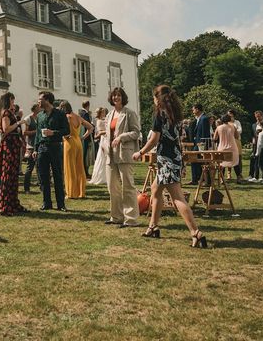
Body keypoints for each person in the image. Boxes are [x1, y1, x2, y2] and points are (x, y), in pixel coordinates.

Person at [133, 85, 207, 248]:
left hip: (166, 159)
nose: (153, 100)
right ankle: (153, 227)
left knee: (177, 197)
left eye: (154, 97)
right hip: (174, 156)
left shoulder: (159, 114)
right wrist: (181, 162)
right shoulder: (176, 114)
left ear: (158, 98)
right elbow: (177, 139)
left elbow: (154, 139)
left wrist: (140, 152)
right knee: (155, 190)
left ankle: (196, 233)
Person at [104, 87, 141, 228]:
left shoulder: (129, 113)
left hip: (125, 153)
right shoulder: (109, 115)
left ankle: (131, 219)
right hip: (110, 154)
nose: (116, 98)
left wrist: (121, 137)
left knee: (128, 186)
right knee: (112, 186)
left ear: (122, 97)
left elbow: (136, 132)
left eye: (118, 95)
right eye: (114, 95)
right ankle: (116, 216)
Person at [0, 92, 28, 215]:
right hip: (9, 146)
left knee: (11, 174)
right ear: (8, 100)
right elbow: (6, 129)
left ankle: (10, 202)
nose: (13, 102)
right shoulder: (6, 113)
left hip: (12, 144)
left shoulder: (5, 112)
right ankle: (5, 204)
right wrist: (18, 123)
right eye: (12, 99)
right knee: (8, 173)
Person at [33, 91, 70, 211]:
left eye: (40, 99)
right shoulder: (39, 116)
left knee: (57, 175)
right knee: (43, 177)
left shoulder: (60, 114)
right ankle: (46, 202)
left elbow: (66, 130)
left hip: (55, 147)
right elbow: (38, 134)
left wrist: (53, 133)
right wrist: (35, 149)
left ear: (47, 100)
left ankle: (61, 204)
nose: (38, 101)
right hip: (42, 148)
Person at [60, 100, 93, 199]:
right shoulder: (78, 117)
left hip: (69, 142)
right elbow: (91, 127)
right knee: (79, 167)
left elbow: (62, 131)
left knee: (70, 168)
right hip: (78, 142)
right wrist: (82, 137)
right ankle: (81, 192)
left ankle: (71, 193)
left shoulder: (66, 117)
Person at [189, 103, 211, 186]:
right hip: (197, 144)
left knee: (204, 162)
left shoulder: (204, 118)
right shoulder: (199, 119)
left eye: (193, 109)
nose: (193, 111)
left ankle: (206, 180)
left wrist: (203, 144)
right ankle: (195, 179)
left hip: (201, 144)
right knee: (193, 160)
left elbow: (205, 133)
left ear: (197, 109)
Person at [22, 104, 40, 193]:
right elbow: (25, 132)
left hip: (40, 145)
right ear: (35, 109)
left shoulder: (40, 117)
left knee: (40, 167)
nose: (40, 108)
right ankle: (26, 188)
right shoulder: (28, 118)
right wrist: (36, 132)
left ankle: (41, 186)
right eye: (38, 107)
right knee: (30, 168)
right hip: (31, 146)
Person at [89, 108, 109, 185]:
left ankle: (107, 176)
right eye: (103, 112)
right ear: (100, 113)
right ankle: (100, 177)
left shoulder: (105, 120)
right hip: (103, 140)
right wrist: (108, 131)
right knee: (102, 158)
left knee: (106, 158)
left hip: (107, 139)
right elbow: (100, 132)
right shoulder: (99, 121)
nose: (104, 113)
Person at [227, 109, 244, 182]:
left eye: (230, 115)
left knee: (238, 157)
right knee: (228, 157)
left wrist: (233, 130)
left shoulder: (237, 122)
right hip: (229, 141)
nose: (229, 116)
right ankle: (229, 173)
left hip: (236, 141)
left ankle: (239, 173)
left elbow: (240, 130)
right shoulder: (226, 123)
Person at [248, 110, 263, 181]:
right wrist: (253, 142)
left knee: (261, 161)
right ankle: (252, 175)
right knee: (253, 160)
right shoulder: (253, 125)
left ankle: (262, 176)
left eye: (258, 116)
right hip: (255, 145)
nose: (257, 118)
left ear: (262, 116)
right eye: (256, 117)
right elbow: (253, 135)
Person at [79, 100, 93, 178]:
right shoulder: (85, 114)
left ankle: (85, 172)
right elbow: (88, 125)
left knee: (84, 156)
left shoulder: (80, 113)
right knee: (84, 156)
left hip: (82, 136)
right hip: (85, 136)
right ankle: (85, 173)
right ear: (88, 105)